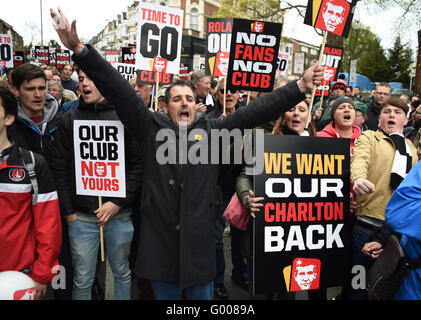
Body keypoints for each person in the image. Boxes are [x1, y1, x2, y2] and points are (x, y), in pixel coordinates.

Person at [50, 6, 323, 300]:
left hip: (198, 250)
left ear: (196, 105)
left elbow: (255, 111)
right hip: (160, 249)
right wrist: (79, 49)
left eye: (190, 99)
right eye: (177, 99)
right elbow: (118, 90)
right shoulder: (149, 128)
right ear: (166, 106)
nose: (184, 103)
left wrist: (299, 87)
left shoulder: (213, 131)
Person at [50, 68, 143, 300]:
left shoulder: (124, 118)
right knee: (82, 279)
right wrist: (70, 213)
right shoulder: (68, 119)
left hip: (119, 215)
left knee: (122, 272)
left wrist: (117, 202)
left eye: (91, 78)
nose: (84, 84)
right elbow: (59, 170)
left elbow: (138, 166)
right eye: (81, 79)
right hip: (82, 218)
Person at [236, 100, 317, 300]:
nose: (296, 114)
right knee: (260, 294)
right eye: (291, 109)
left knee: (288, 294)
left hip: (299, 238)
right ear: (283, 117)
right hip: (265, 235)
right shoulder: (266, 143)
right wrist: (247, 196)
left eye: (302, 110)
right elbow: (245, 176)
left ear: (309, 116)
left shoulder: (319, 147)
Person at [350, 97, 417, 299]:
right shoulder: (369, 138)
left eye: (397, 113)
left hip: (398, 234)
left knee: (386, 288)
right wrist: (358, 178)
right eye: (387, 112)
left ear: (406, 121)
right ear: (379, 119)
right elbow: (359, 159)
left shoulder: (411, 149)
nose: (391, 115)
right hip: (367, 227)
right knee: (358, 282)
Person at [0, 86, 62, 300]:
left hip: (20, 276)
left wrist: (41, 273)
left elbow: (49, 224)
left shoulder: (33, 164)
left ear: (8, 118)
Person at [362, 159, 421, 299]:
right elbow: (399, 211)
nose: (419, 151)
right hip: (412, 280)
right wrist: (382, 239)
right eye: (419, 144)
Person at [9, 63, 62, 161]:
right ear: (16, 90)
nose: (38, 95)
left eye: (41, 88)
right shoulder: (7, 127)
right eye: (30, 89)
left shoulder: (62, 121)